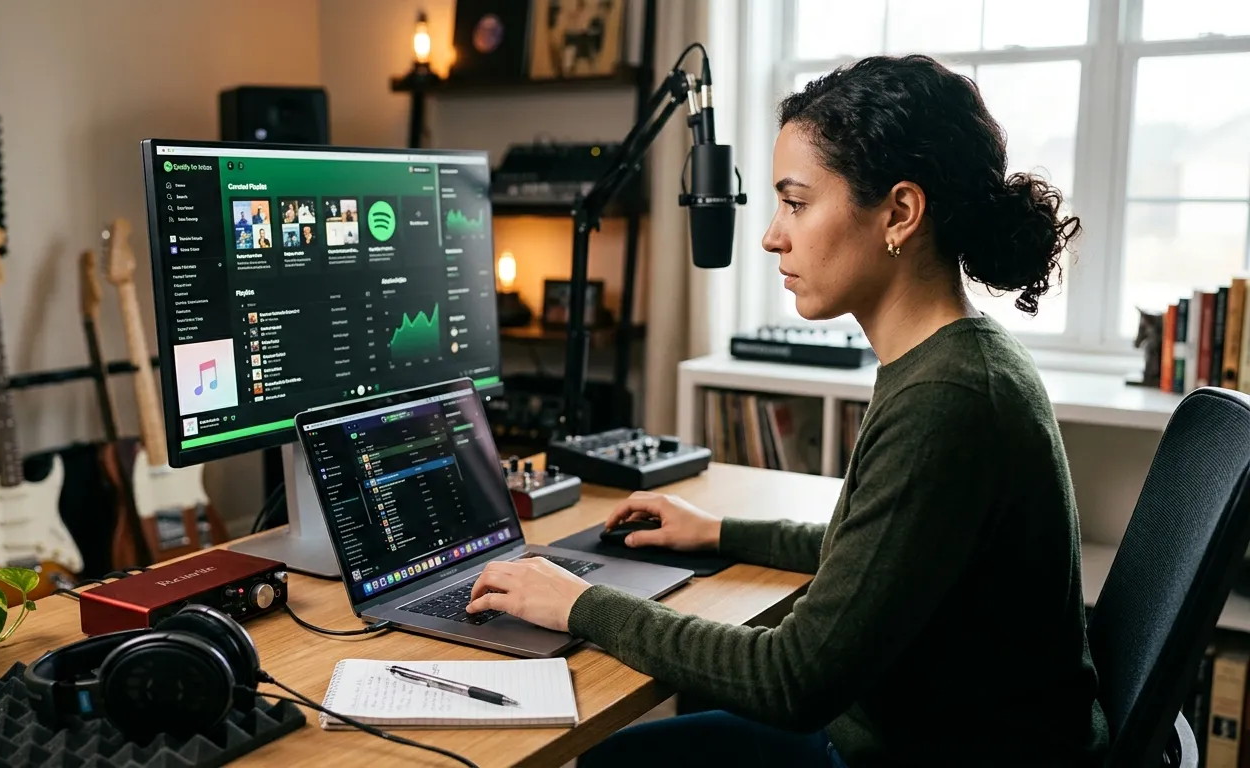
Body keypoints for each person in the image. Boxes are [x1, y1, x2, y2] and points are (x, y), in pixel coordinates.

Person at [466, 54, 1107, 767]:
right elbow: (872, 555)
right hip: (927, 738)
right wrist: (716, 531)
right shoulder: (954, 357)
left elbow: (792, 680)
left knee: (616, 760)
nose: (773, 235)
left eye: (796, 203)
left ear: (900, 213)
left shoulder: (948, 399)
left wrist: (577, 603)